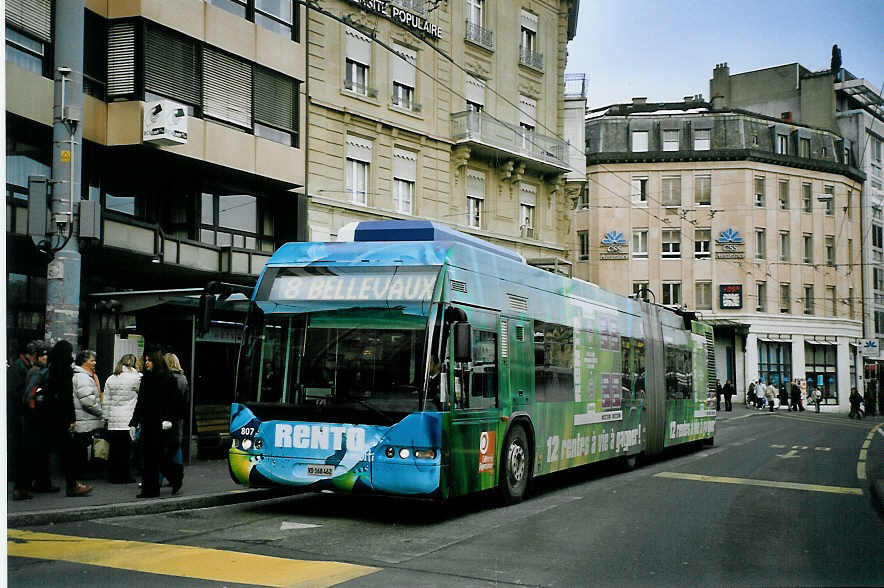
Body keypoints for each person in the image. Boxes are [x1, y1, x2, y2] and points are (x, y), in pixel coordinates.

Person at [32, 340, 92, 497]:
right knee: (67, 453)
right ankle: (72, 485)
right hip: (59, 417)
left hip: (45, 415)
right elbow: (66, 397)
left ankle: (42, 482)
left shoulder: (50, 368)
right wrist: (71, 418)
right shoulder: (65, 369)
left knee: (43, 451)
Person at [130, 348, 185, 498]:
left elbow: (176, 404)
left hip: (161, 424)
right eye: (146, 360)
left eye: (149, 360)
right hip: (149, 422)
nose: (146, 363)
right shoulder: (146, 379)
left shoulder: (168, 380)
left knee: (157, 457)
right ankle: (151, 488)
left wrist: (169, 419)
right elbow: (140, 402)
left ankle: (173, 477)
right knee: (150, 458)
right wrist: (134, 422)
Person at [8, 341, 40, 500]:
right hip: (20, 415)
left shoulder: (23, 365)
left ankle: (22, 486)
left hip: (21, 415)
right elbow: (17, 392)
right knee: (22, 451)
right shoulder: (20, 367)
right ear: (33, 354)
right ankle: (20, 488)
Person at [103, 354, 141, 483]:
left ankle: (113, 475)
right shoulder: (136, 378)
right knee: (125, 450)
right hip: (127, 419)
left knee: (114, 449)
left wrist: (106, 418)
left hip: (114, 420)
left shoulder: (111, 378)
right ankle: (125, 476)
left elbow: (106, 401)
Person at [72, 350, 105, 483]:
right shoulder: (83, 377)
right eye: (92, 360)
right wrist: (101, 412)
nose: (94, 363)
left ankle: (80, 471)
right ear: (84, 362)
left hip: (82, 418)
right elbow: (87, 401)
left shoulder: (82, 375)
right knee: (81, 446)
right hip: (84, 418)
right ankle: (81, 472)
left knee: (81, 445)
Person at [164, 352, 190, 474]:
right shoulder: (183, 378)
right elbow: (186, 398)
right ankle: (177, 472)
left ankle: (162, 474)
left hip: (166, 414)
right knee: (176, 444)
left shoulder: (165, 378)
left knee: (163, 445)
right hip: (179, 416)